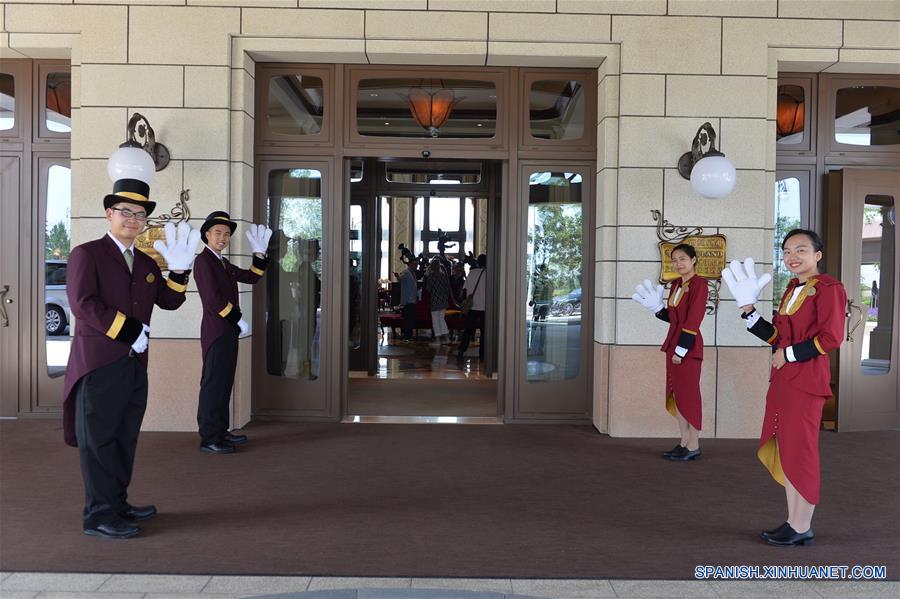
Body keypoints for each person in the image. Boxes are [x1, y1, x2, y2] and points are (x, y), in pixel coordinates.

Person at [63, 178, 199, 539]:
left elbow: (168, 302)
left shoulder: (145, 261)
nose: (133, 219)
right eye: (125, 211)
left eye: (140, 214)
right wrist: (128, 330)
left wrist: (181, 272)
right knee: (99, 441)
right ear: (109, 213)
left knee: (124, 438)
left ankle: (118, 503)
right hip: (99, 364)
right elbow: (83, 305)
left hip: (135, 364)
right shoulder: (86, 254)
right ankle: (98, 515)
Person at [721, 229, 847, 547]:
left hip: (805, 382)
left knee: (802, 452)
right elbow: (779, 337)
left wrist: (787, 354)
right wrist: (749, 312)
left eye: (801, 250)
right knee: (789, 449)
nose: (792, 256)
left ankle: (803, 525)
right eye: (787, 250)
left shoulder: (830, 289)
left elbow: (832, 338)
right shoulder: (792, 288)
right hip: (783, 381)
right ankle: (794, 521)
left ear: (817, 255)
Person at [193, 211, 272, 454]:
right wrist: (238, 319)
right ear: (207, 235)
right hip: (217, 332)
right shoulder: (203, 261)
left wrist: (259, 255)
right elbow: (213, 300)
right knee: (213, 384)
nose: (223, 238)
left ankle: (220, 431)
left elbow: (250, 277)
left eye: (226, 234)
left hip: (228, 331)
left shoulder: (222, 262)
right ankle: (208, 437)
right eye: (218, 233)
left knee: (224, 382)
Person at [633, 244, 708, 461]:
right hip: (673, 344)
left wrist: (682, 349)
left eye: (682, 259)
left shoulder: (699, 285)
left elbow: (693, 319)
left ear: (693, 260)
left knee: (690, 396)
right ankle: (684, 441)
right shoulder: (676, 284)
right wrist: (657, 309)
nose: (678, 263)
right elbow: (674, 318)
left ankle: (694, 445)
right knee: (678, 395)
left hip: (687, 347)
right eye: (674, 260)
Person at [457, 254, 487, 362]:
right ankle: (482, 355)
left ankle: (461, 351)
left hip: (473, 307)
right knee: (484, 333)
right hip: (485, 308)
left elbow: (465, 289)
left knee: (468, 331)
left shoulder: (472, 273)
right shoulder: (489, 275)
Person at [425, 257, 451, 345]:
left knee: (435, 321)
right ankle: (446, 338)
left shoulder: (431, 276)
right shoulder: (443, 275)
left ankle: (438, 340)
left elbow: (428, 289)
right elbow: (447, 288)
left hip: (435, 301)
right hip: (444, 301)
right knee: (442, 319)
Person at [394, 256, 419, 342]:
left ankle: (409, 335)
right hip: (408, 300)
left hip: (413, 299)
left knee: (411, 319)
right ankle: (406, 336)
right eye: (415, 265)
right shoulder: (406, 272)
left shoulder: (413, 273)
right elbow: (400, 279)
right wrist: (397, 276)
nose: (417, 266)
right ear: (411, 264)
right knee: (408, 319)